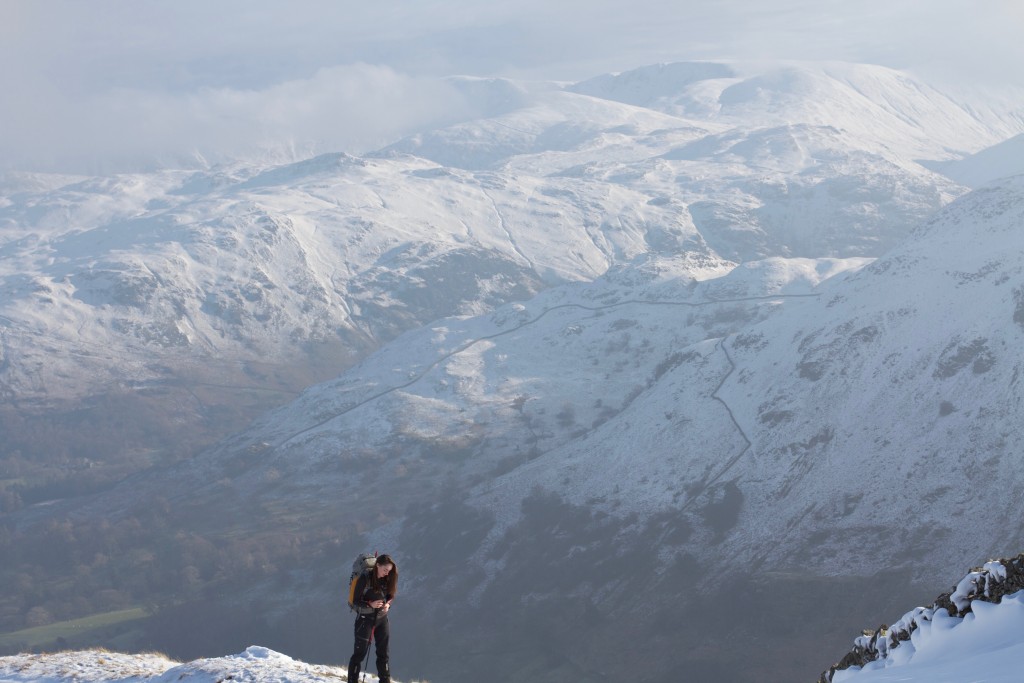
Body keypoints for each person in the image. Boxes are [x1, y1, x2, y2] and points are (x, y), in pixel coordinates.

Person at [348, 554, 398, 683]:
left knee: (383, 654)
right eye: (385, 570)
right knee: (359, 655)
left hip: (382, 619)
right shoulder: (365, 578)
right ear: (377, 566)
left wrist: (387, 604)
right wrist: (370, 604)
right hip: (365, 619)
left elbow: (391, 595)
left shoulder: (388, 578)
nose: (387, 573)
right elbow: (355, 601)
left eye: (389, 571)